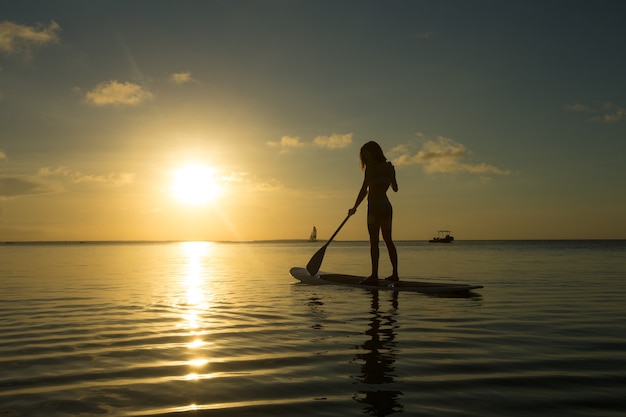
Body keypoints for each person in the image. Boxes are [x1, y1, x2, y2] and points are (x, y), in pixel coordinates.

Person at [348, 141, 399, 285]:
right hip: (387, 206)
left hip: (375, 207)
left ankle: (374, 276)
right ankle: (395, 274)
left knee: (374, 242)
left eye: (366, 153)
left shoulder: (370, 167)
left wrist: (354, 207)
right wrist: (391, 176)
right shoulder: (389, 167)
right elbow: (395, 188)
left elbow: (365, 189)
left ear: (373, 152)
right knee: (388, 240)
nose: (365, 156)